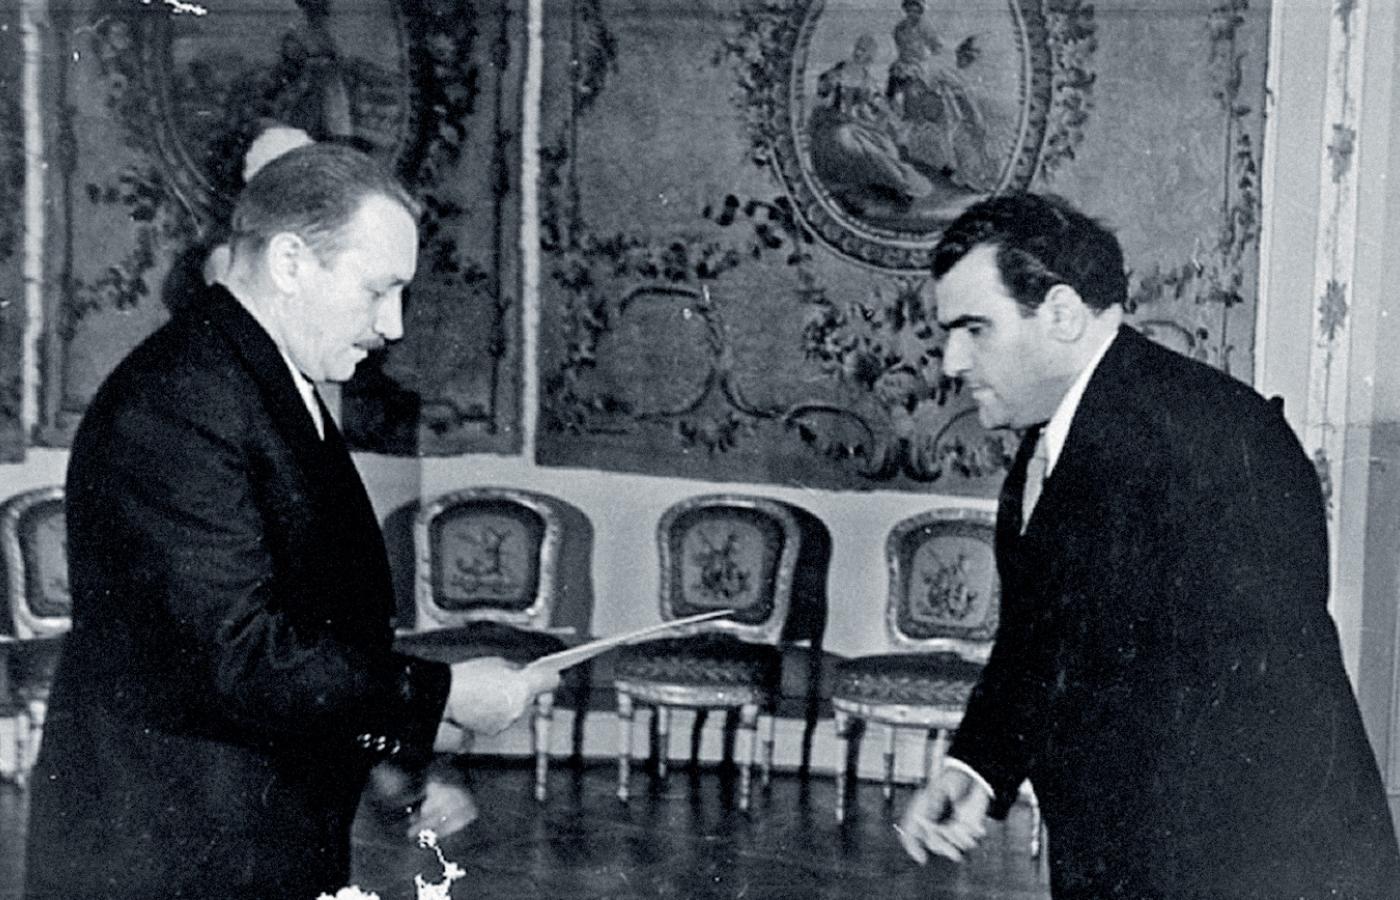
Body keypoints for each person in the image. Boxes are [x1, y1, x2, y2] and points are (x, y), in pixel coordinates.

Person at [23, 143, 558, 900]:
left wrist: (399, 757)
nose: (393, 325)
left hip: (240, 834)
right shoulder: (181, 400)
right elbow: (234, 655)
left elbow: (308, 619)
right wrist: (438, 695)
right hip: (175, 853)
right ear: (290, 262)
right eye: (378, 290)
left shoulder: (259, 379)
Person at [897, 192, 1400, 899]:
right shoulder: (1057, 435)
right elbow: (1040, 636)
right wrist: (976, 767)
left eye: (975, 328)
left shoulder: (1216, 436)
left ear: (1062, 313)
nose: (952, 361)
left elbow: (1256, 709)